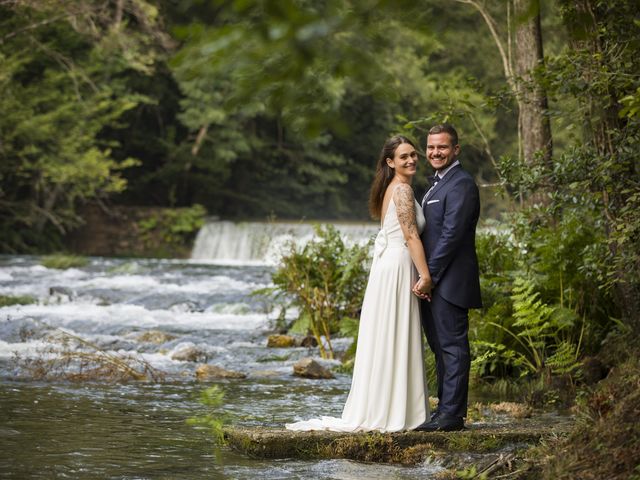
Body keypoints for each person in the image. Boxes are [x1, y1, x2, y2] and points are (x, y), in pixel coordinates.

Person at [286, 135, 431, 433]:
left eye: (413, 154)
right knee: (395, 333)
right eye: (403, 156)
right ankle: (395, 412)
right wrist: (426, 275)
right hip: (398, 266)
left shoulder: (392, 188)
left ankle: (388, 407)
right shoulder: (401, 190)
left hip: (388, 266)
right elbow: (411, 236)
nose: (411, 160)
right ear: (390, 162)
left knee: (390, 335)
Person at [413, 124, 482, 432]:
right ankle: (443, 411)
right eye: (431, 147)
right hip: (434, 283)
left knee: (453, 348)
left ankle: (452, 416)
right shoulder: (436, 184)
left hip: (450, 282)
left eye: (442, 147)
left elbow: (452, 235)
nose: (435, 152)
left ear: (456, 149)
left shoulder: (462, 184)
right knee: (440, 349)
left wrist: (430, 276)